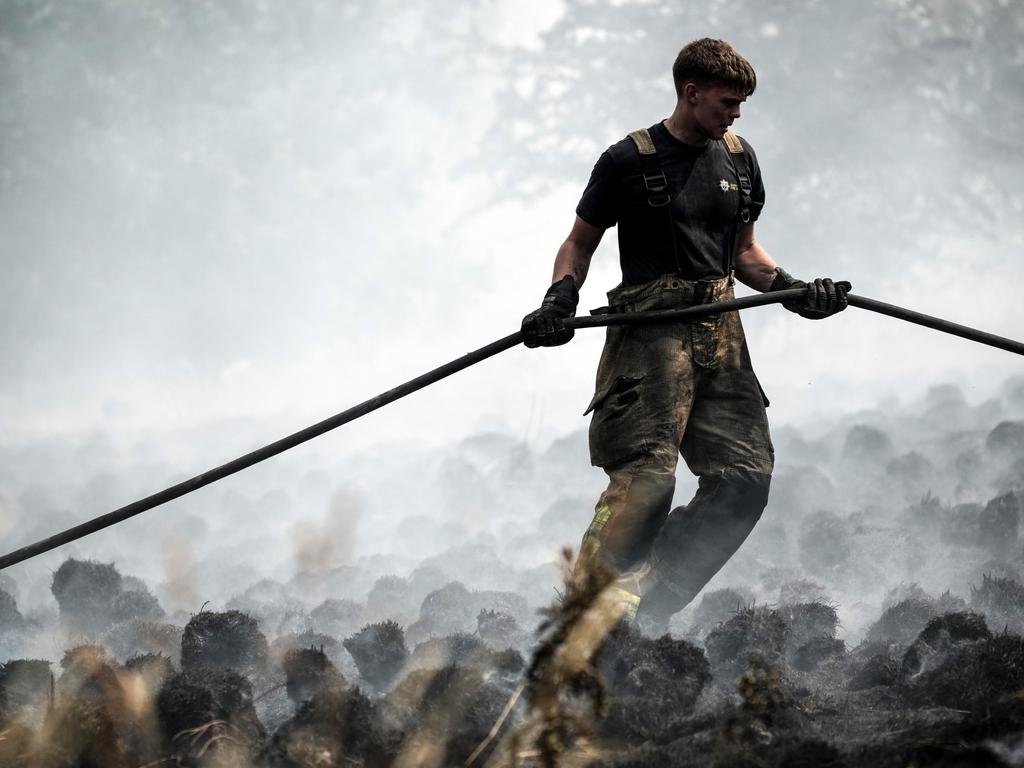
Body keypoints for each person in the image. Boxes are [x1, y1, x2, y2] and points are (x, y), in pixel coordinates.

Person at [520, 38, 850, 634]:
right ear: (691, 93)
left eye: (743, 102)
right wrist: (558, 299)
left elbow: (745, 253)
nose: (738, 113)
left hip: (721, 336)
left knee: (745, 480)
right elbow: (579, 242)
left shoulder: (740, 159)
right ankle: (585, 613)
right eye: (729, 101)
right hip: (649, 339)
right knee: (648, 481)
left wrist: (797, 291)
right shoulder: (628, 160)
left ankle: (645, 610)